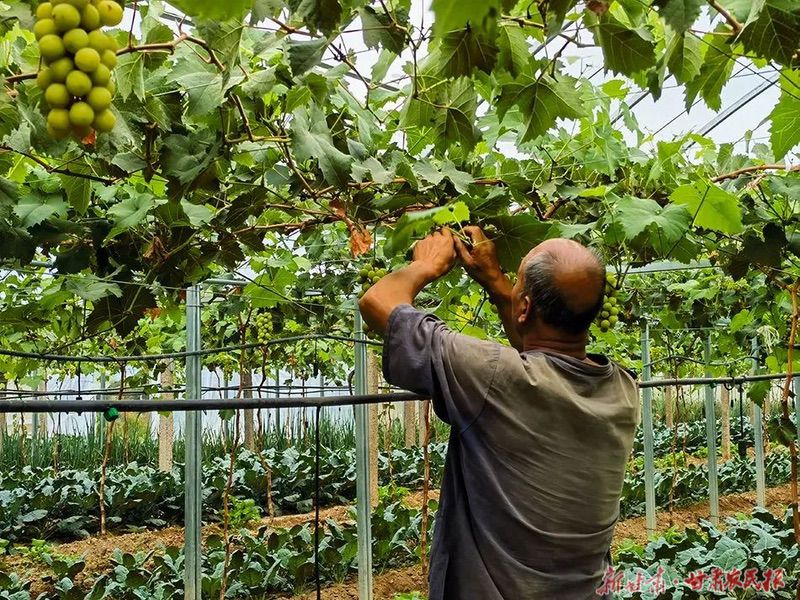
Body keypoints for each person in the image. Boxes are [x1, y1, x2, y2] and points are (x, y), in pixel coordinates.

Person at [359, 227, 640, 600]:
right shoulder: (623, 389)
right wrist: (495, 280)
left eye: (518, 285)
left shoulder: (492, 375)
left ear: (523, 307)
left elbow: (378, 301)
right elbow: (541, 352)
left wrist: (425, 265)